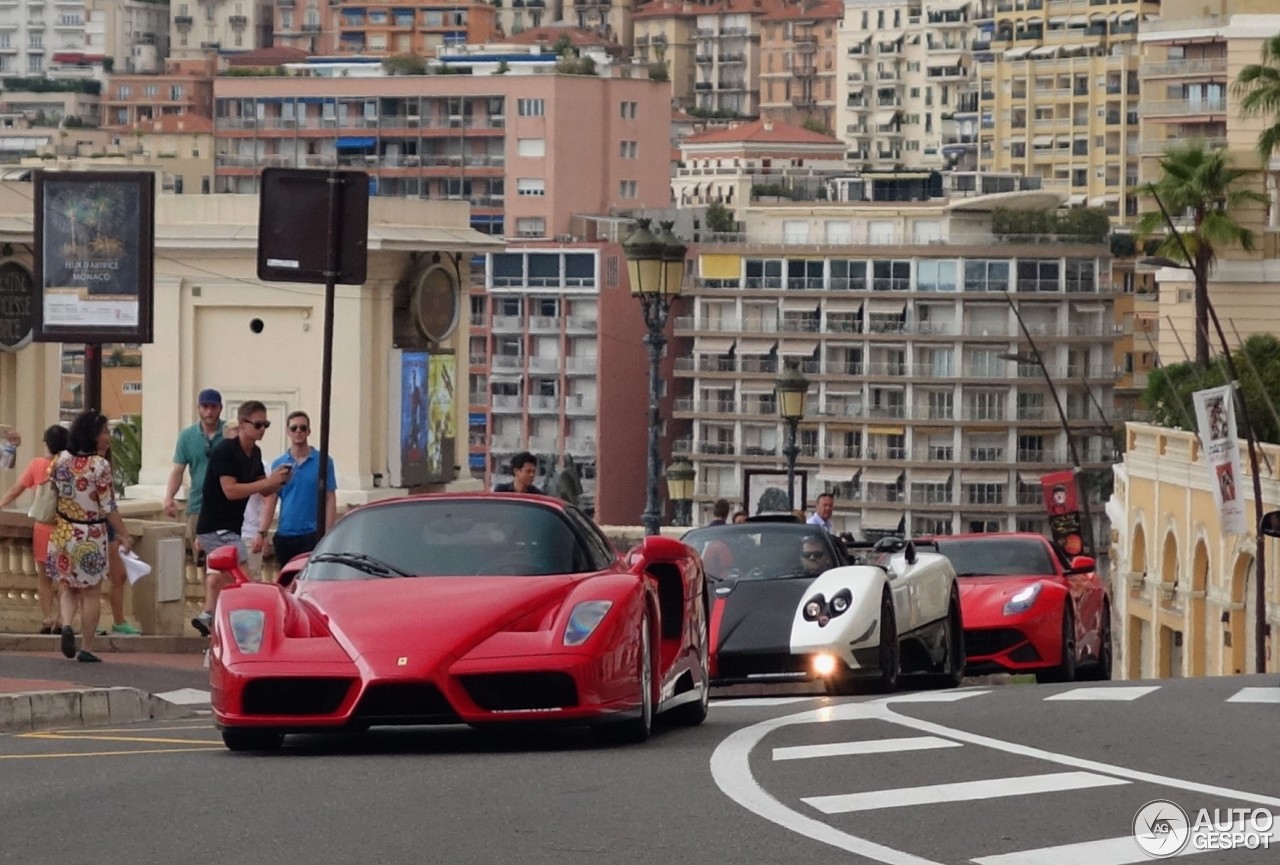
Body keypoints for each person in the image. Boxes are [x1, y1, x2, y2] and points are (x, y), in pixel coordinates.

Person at [191, 401, 290, 636]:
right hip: (216, 527)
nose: (262, 429)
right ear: (242, 423)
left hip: (231, 529)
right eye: (257, 424)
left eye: (265, 424)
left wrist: (280, 480)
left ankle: (209, 616)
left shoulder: (255, 452)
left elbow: (263, 490)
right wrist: (267, 483)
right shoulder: (225, 450)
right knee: (245, 581)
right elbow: (231, 490)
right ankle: (252, 630)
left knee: (219, 578)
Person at [47, 410, 132, 662]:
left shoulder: (60, 459)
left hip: (63, 531)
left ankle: (65, 624)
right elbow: (109, 507)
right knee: (91, 592)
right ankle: (86, 646)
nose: (107, 437)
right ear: (93, 435)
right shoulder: (99, 466)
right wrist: (124, 534)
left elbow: (53, 489)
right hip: (90, 533)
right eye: (105, 432)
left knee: (66, 585)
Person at [0, 424, 69, 633]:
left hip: (43, 527)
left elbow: (15, 490)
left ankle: (47, 618)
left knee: (44, 578)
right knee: (64, 578)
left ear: (46, 444)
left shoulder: (38, 465)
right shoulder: (69, 467)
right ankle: (62, 619)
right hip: (65, 529)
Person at [261, 410, 337, 569]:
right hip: (285, 533)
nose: (298, 432)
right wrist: (263, 532)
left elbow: (330, 497)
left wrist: (328, 532)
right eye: (294, 428)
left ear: (309, 431)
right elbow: (271, 499)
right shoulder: (279, 464)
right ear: (288, 431)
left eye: (303, 428)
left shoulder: (323, 461)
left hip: (313, 532)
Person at [162, 388, 224, 548]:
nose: (209, 411)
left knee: (224, 561)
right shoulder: (187, 436)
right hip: (198, 505)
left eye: (213, 407)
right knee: (201, 561)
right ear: (198, 408)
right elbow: (178, 470)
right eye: (205, 406)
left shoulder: (230, 433)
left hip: (225, 506)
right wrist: (169, 497)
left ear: (220, 408)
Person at [99, 439, 140, 635]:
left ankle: (119, 619)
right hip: (92, 527)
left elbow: (111, 504)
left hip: (109, 527)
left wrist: (121, 532)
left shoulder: (106, 468)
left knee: (119, 575)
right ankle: (94, 621)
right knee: (91, 580)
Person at [224, 420, 268, 580]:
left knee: (250, 581)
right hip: (222, 534)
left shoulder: (259, 464)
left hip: (250, 534)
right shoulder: (219, 463)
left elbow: (269, 500)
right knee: (221, 581)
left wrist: (262, 533)